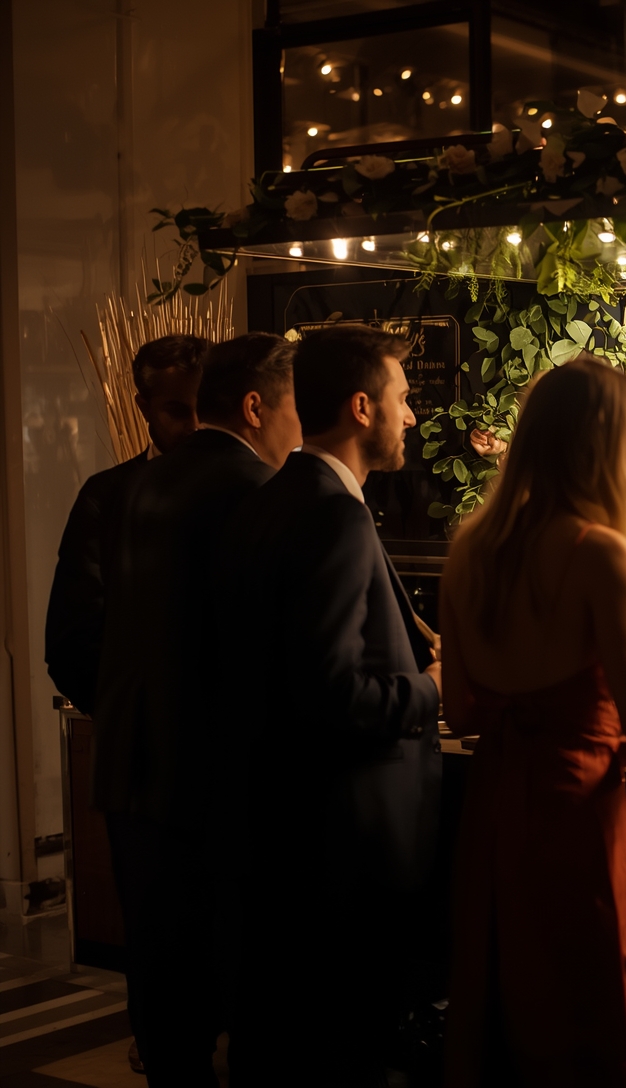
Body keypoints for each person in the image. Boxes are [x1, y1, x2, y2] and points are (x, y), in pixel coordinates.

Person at [441, 356, 626, 1087]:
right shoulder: (596, 552)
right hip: (579, 810)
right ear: (598, 443)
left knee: (508, 993)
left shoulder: (471, 547)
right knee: (598, 994)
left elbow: (459, 712)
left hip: (496, 804)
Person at [222, 325, 443, 1087]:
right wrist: (435, 689)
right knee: (344, 1046)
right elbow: (332, 691)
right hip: (345, 838)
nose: (411, 416)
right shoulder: (335, 514)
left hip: (280, 828)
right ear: (361, 408)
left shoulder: (271, 495)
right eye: (403, 399)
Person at [90, 334, 300, 1086]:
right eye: (295, 410)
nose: (297, 430)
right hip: (212, 779)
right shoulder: (259, 492)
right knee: (240, 992)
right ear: (256, 408)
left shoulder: (138, 485)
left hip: (137, 767)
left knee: (164, 989)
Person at [46, 333, 209, 719]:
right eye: (178, 411)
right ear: (144, 407)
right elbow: (73, 642)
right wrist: (136, 725)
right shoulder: (106, 497)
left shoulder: (252, 490)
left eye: (205, 409)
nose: (196, 425)